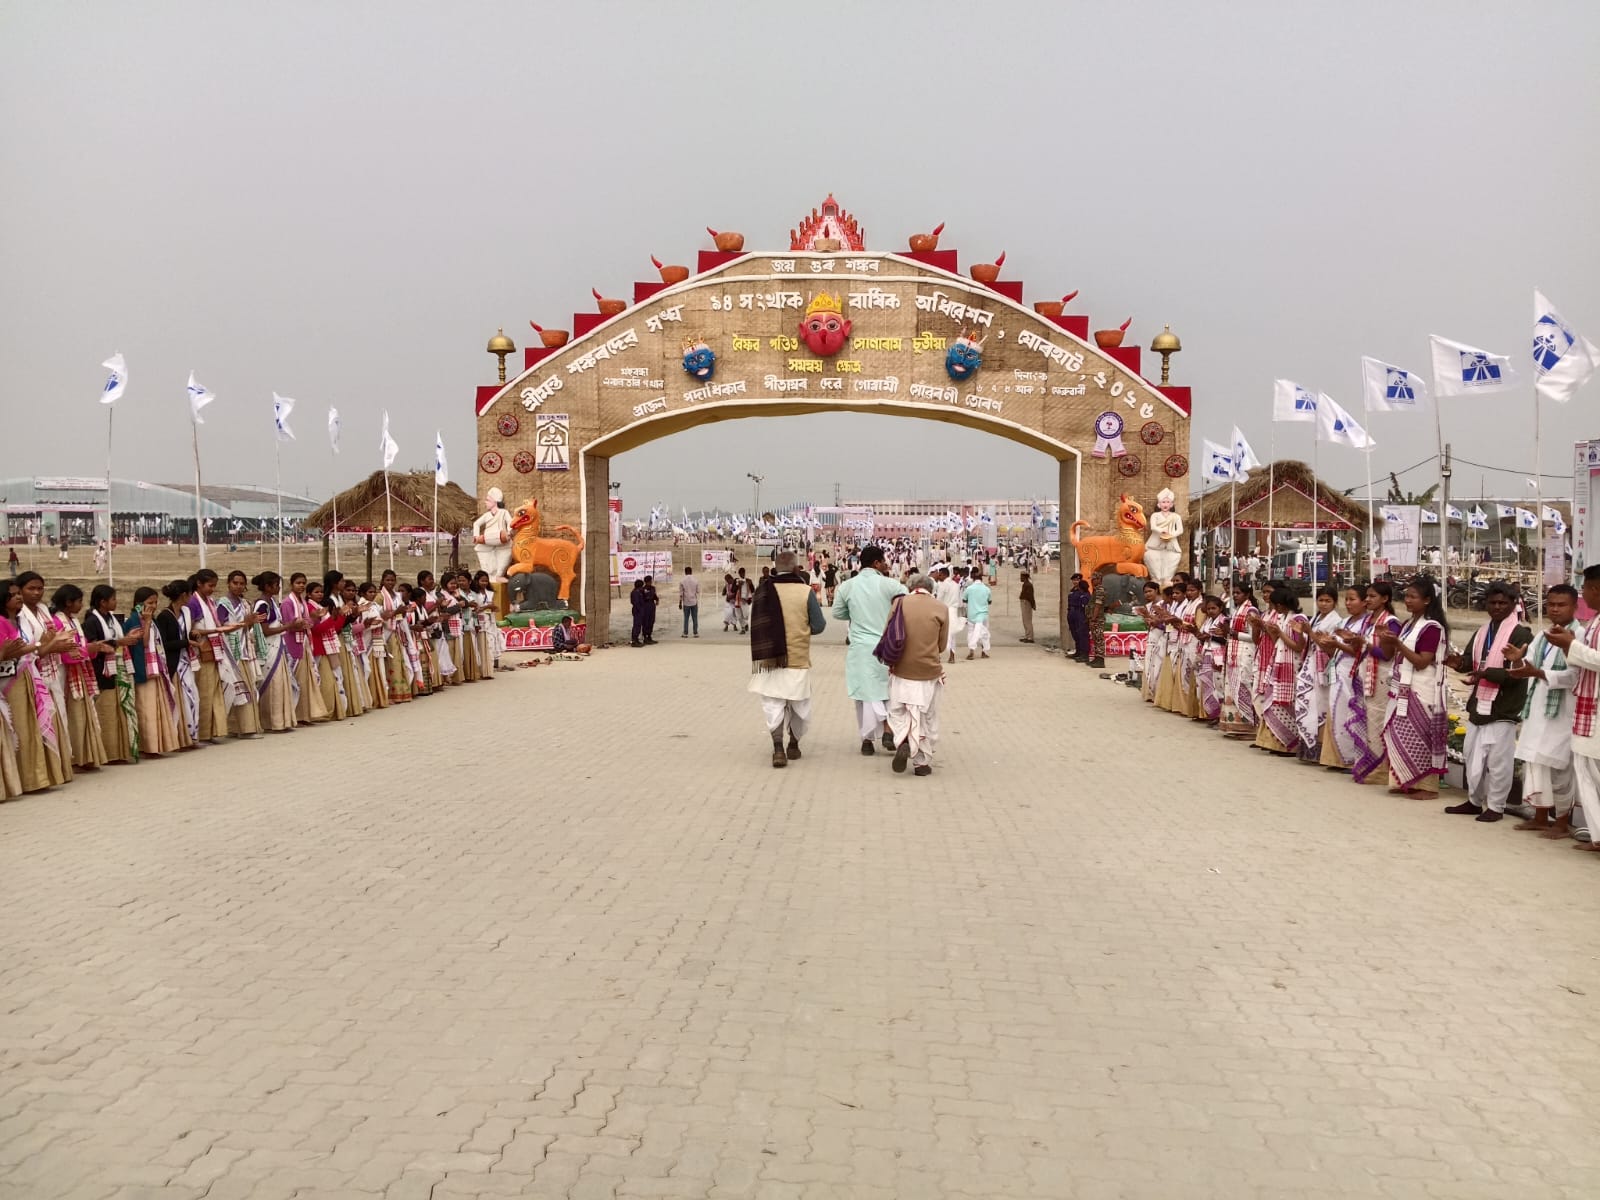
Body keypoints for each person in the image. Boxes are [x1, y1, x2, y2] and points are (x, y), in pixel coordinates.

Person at [1443, 582, 1531, 820]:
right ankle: (1474, 800)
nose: (1497, 607)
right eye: (1493, 602)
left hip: (1504, 706)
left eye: (1503, 603)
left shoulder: (1522, 633)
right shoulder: (1482, 631)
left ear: (1513, 605)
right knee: (1473, 755)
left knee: (1498, 760)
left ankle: (1496, 807)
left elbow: (1518, 673)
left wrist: (1485, 674)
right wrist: (1458, 664)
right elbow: (1471, 662)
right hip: (1479, 703)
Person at [1508, 584, 1579, 834]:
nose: (1555, 609)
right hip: (1537, 709)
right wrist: (1517, 658)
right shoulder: (1542, 635)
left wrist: (1536, 672)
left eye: (1562, 605)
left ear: (1574, 607)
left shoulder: (1578, 637)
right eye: (1551, 604)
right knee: (1536, 763)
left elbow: (1574, 676)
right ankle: (1539, 817)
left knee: (1559, 768)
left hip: (1563, 713)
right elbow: (1528, 665)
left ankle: (1561, 822)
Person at [1540, 564, 1600, 853]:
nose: (1584, 594)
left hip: (1596, 709)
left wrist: (1571, 645)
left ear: (1595, 589)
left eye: (1585, 588)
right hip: (1587, 707)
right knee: (1587, 772)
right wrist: (1568, 647)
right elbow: (1581, 664)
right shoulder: (1595, 623)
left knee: (1592, 774)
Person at [748, 550, 827, 768]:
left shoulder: (762, 591)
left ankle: (777, 749)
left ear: (775, 568)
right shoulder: (805, 591)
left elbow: (754, 624)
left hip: (769, 660)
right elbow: (819, 626)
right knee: (799, 705)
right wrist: (801, 629)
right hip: (798, 659)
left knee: (773, 704)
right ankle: (793, 743)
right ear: (796, 568)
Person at [1375, 577, 1450, 798]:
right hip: (1404, 687)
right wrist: (1387, 639)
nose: (1407, 600)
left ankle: (1427, 787)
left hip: (1422, 688)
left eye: (1413, 597)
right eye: (1406, 596)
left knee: (1421, 736)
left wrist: (1397, 643)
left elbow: (1421, 661)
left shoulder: (1432, 628)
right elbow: (1393, 654)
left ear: (1427, 600)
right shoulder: (1409, 624)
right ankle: (1406, 780)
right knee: (1404, 734)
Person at [831, 545, 907, 755]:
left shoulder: (847, 586)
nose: (886, 564)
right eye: (884, 561)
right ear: (876, 563)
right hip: (887, 647)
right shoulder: (890, 584)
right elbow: (907, 602)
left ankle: (867, 740)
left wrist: (855, 614)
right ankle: (888, 729)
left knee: (864, 695)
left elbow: (837, 613)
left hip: (860, 648)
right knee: (887, 692)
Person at [886, 573, 949, 777]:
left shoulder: (900, 604)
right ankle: (921, 763)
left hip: (902, 669)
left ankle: (904, 739)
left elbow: (887, 633)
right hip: (929, 671)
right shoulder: (941, 607)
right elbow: (942, 644)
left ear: (910, 586)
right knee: (927, 715)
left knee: (898, 711)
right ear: (931, 589)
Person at [49, 583, 110, 771]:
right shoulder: (57, 622)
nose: (81, 605)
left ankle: (87, 756)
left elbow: (80, 648)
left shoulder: (74, 621)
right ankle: (76, 758)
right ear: (68, 603)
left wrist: (93, 648)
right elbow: (65, 652)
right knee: (74, 716)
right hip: (66, 675)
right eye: (79, 602)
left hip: (80, 672)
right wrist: (89, 649)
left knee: (85, 715)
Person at [1346, 582, 1402, 785]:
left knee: (1378, 722)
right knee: (1368, 722)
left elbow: (1387, 654)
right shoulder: (1369, 620)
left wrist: (1364, 644)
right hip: (1366, 675)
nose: (1368, 600)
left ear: (1385, 599)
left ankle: (1379, 771)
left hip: (1382, 679)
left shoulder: (1391, 622)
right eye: (1367, 596)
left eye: (1372, 596)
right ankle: (1368, 767)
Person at [85, 584, 140, 764]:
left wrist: (125, 637)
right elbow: (93, 645)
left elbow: (117, 638)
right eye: (113, 599)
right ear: (103, 602)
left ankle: (120, 750)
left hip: (118, 668)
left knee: (120, 709)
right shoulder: (91, 621)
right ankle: (108, 752)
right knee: (106, 711)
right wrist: (120, 641)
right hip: (103, 671)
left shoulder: (111, 619)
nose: (116, 602)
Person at [1317, 586, 1368, 771]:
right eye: (1346, 599)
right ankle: (1334, 757)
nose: (1348, 603)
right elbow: (1334, 650)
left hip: (1352, 672)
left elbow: (1358, 651)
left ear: (1364, 602)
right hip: (1338, 669)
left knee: (1347, 713)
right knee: (1335, 710)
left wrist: (1337, 644)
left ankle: (1348, 756)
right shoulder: (1346, 622)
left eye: (1352, 599)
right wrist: (1326, 644)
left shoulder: (1365, 624)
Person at [1251, 587, 1306, 756]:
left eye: (1277, 605)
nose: (1276, 609)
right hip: (1278, 661)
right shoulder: (1282, 617)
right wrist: (1274, 633)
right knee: (1274, 701)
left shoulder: (1298, 619)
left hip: (1291, 665)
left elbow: (1298, 646)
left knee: (1287, 702)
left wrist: (1280, 633)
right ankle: (1275, 742)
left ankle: (1289, 742)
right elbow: (1277, 642)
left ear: (1282, 604)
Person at [250, 572, 297, 733]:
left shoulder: (272, 602)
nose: (278, 588)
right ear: (268, 586)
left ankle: (281, 720)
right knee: (272, 684)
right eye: (276, 585)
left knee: (280, 684)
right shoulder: (262, 605)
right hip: (269, 648)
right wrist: (288, 627)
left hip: (278, 646)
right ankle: (270, 721)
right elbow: (264, 631)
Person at [1218, 584, 1259, 738]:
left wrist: (1234, 634)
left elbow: (1253, 637)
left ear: (1247, 594)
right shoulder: (1237, 610)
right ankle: (1235, 725)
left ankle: (1248, 726)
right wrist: (1226, 632)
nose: (1235, 596)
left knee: (1244, 685)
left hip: (1245, 653)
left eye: (1238, 593)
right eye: (1233, 593)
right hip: (1234, 653)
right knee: (1232, 687)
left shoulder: (1251, 611)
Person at [933, 565, 964, 664]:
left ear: (943, 575)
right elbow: (959, 599)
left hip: (944, 609)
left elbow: (939, 599)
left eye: (939, 575)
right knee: (952, 634)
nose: (938, 577)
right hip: (953, 610)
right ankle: (952, 656)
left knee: (939, 633)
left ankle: (937, 656)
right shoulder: (956, 584)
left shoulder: (942, 585)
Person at [963, 567, 992, 660]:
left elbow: (964, 599)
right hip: (983, 615)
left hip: (972, 615)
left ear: (973, 579)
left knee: (971, 633)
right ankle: (984, 652)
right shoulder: (987, 589)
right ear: (981, 579)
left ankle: (971, 651)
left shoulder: (969, 588)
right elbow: (990, 601)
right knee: (984, 633)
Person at [1067, 575, 1090, 662]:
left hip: (1080, 613)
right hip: (1072, 613)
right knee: (1075, 633)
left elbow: (1085, 606)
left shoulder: (1084, 592)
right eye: (1074, 580)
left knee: (1082, 634)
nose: (1075, 582)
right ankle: (1078, 651)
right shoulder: (1073, 591)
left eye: (1077, 580)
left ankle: (1084, 654)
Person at [678, 565, 700, 639]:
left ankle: (685, 633)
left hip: (686, 602)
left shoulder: (682, 581)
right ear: (691, 572)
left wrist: (680, 603)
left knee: (686, 618)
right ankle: (695, 632)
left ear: (685, 572)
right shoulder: (696, 580)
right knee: (695, 618)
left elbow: (681, 593)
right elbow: (698, 591)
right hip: (694, 601)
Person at [629, 579, 649, 647]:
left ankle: (636, 639)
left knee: (638, 625)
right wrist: (640, 610)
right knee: (636, 625)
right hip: (637, 610)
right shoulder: (635, 592)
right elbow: (636, 603)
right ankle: (634, 640)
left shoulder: (639, 592)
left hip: (639, 610)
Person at [1017, 571, 1036, 643]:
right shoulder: (1025, 584)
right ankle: (1027, 635)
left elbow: (1030, 596)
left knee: (1027, 620)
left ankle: (1030, 637)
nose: (1020, 578)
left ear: (1024, 577)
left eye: (1021, 577)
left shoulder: (1028, 585)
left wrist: (1033, 604)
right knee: (1025, 620)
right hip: (1024, 602)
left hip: (1026, 603)